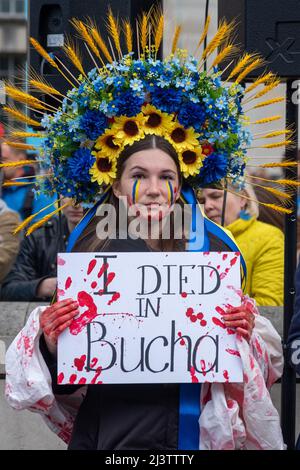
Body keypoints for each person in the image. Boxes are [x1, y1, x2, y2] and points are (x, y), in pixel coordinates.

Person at [4, 9, 287, 450]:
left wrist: (244, 330)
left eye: (167, 177)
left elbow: (253, 364)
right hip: (109, 436)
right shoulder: (88, 246)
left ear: (181, 184)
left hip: (192, 436)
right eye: (139, 174)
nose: (153, 190)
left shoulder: (213, 248)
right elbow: (66, 381)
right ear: (116, 182)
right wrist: (52, 341)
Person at [199, 184, 284, 306]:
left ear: (242, 198)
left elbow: (270, 306)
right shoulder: (195, 240)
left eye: (216, 196)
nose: (207, 206)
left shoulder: (269, 237)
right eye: (202, 201)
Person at [1, 198, 83, 301]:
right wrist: (43, 286)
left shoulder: (108, 235)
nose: (75, 204)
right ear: (59, 193)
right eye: (68, 192)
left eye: (88, 191)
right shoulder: (39, 233)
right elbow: (8, 289)